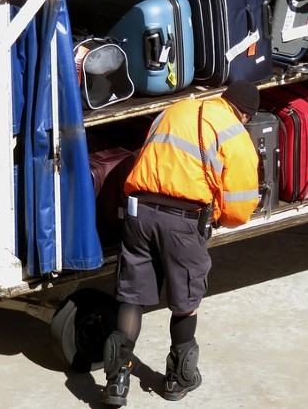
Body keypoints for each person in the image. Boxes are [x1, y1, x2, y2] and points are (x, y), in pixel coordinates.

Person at [103, 80, 261, 407]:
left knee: (132, 297)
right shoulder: (234, 133)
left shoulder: (175, 111)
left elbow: (148, 152)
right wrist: (215, 214)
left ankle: (117, 382)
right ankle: (178, 379)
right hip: (183, 222)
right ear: (245, 115)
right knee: (186, 300)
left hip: (138, 214)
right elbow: (239, 209)